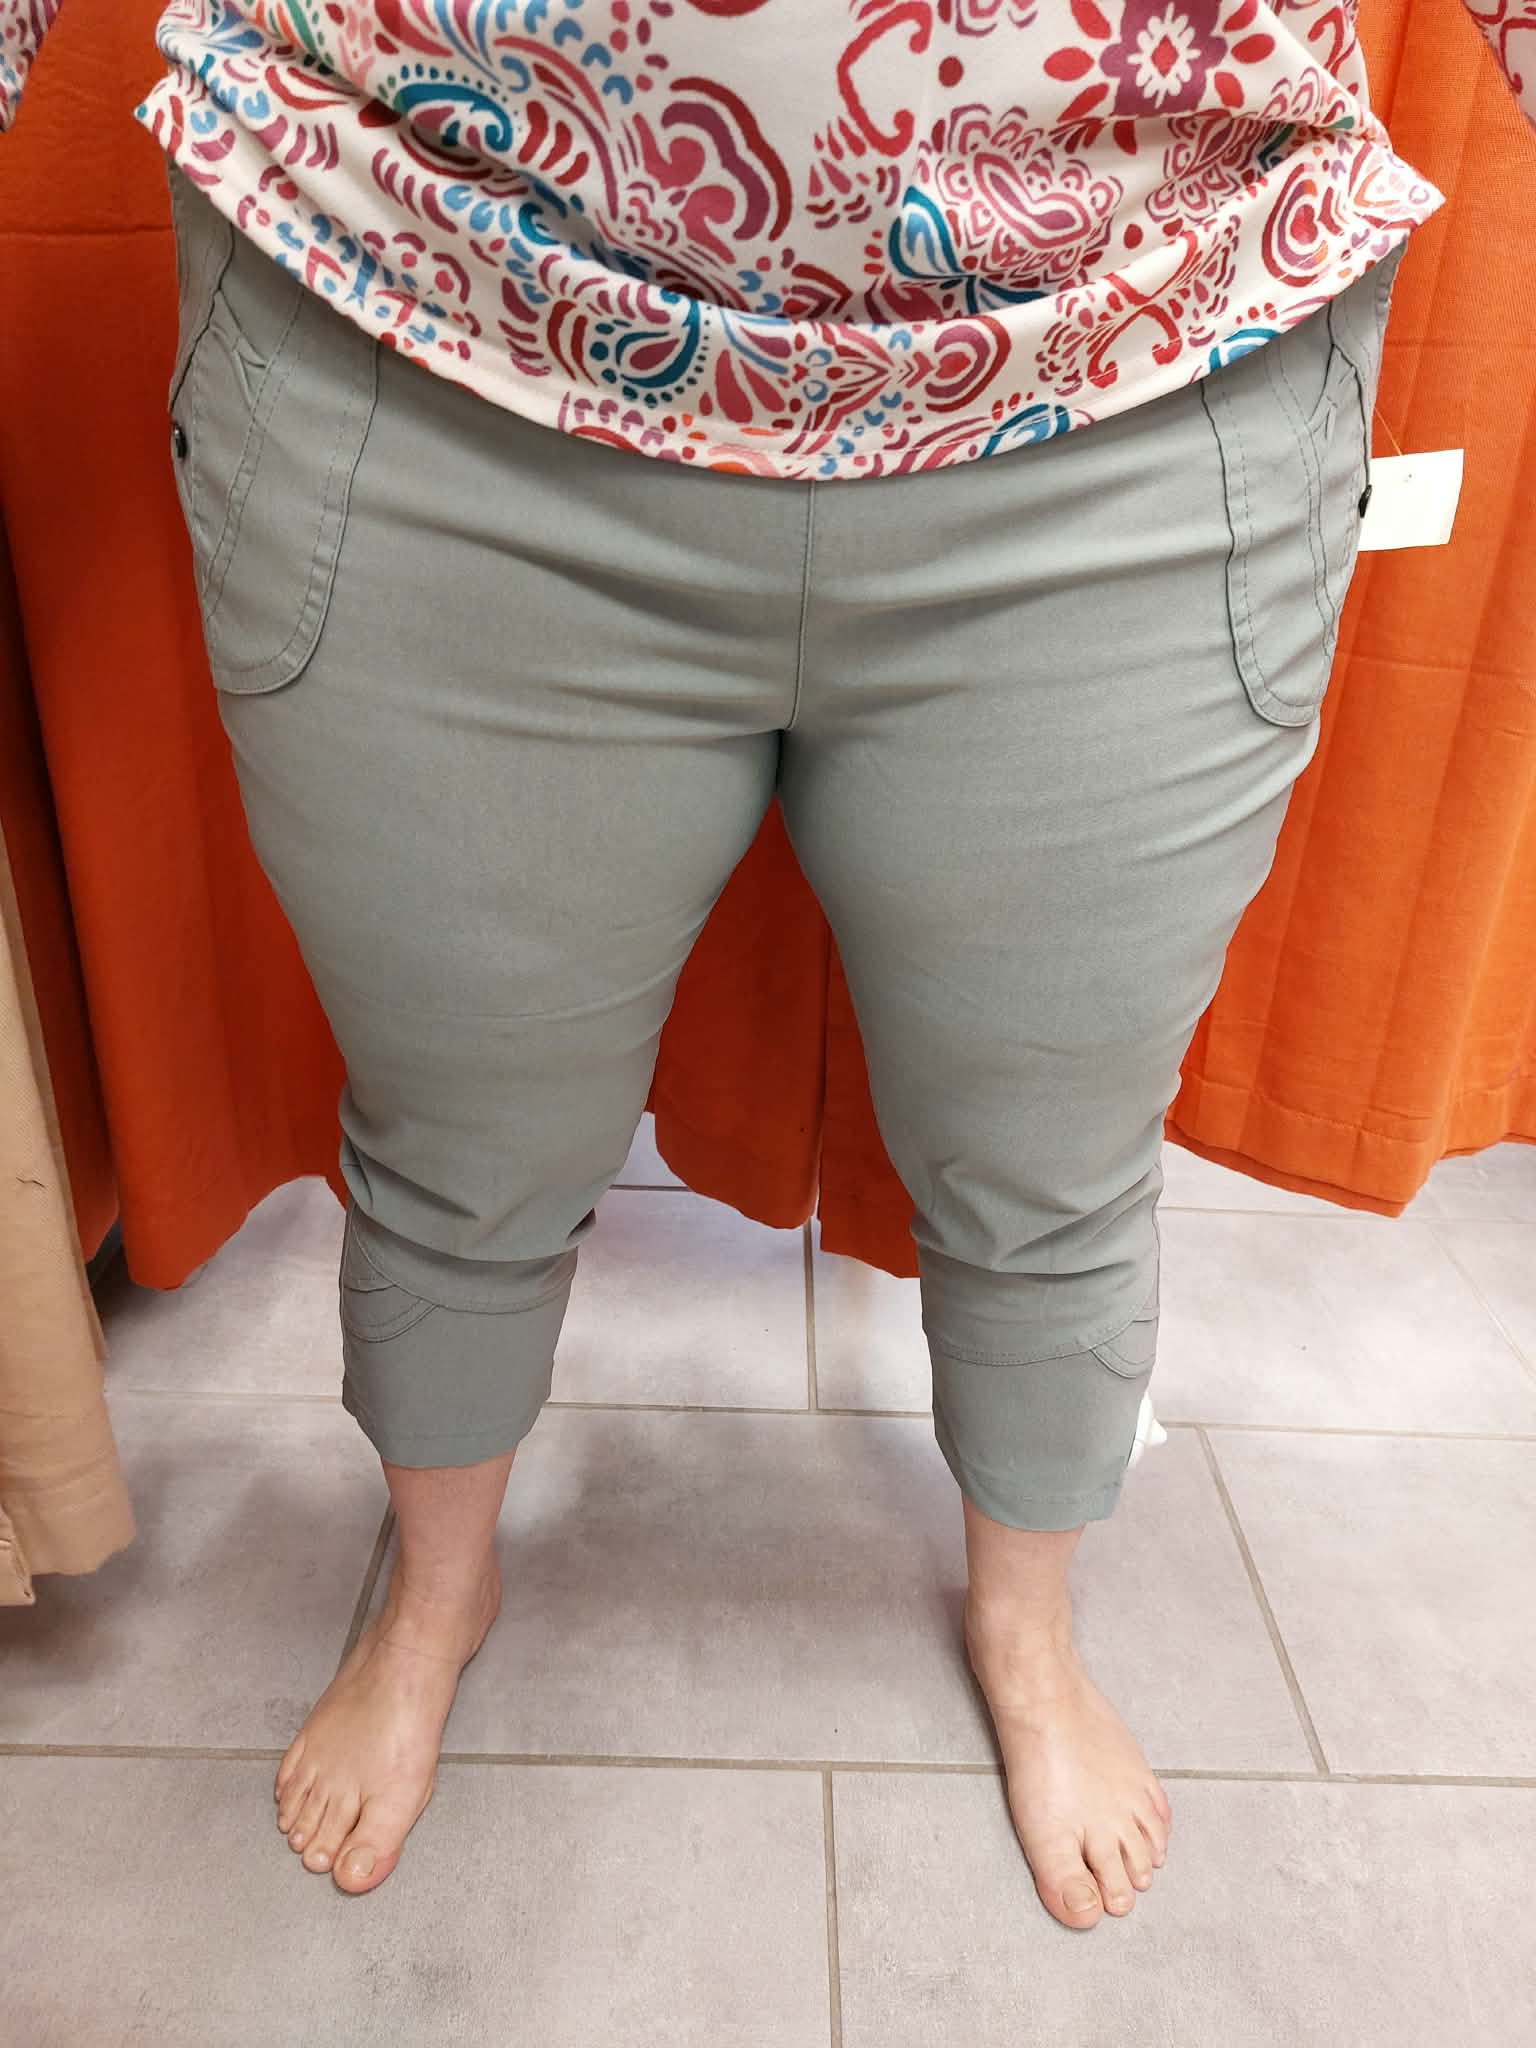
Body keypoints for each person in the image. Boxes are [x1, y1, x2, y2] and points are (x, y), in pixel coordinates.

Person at [3, 0, 1530, 1929]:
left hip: (1139, 355)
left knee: (1046, 1144)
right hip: (430, 301)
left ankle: (1028, 1627)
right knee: (464, 1127)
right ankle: (436, 1588)